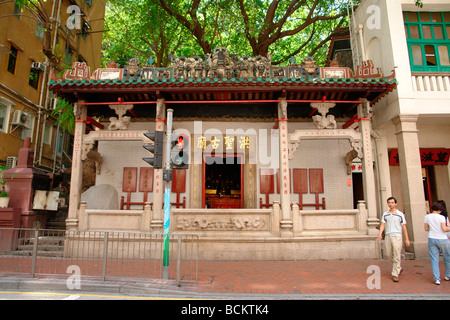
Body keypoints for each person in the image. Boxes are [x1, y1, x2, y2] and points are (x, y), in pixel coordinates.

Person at [378, 197, 410, 282]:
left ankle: (395, 274)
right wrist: (380, 233)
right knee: (388, 254)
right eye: (389, 202)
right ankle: (398, 267)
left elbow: (404, 227)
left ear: (395, 203)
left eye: (392, 202)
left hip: (397, 236)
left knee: (396, 255)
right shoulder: (385, 214)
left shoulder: (400, 214)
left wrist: (407, 239)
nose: (390, 204)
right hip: (388, 235)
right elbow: (383, 224)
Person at [424, 201, 450, 285]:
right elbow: (444, 229)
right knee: (447, 257)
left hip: (432, 238)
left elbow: (426, 229)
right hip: (442, 238)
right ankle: (447, 275)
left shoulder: (427, 217)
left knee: (434, 259)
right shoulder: (441, 217)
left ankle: (437, 279)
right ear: (439, 210)